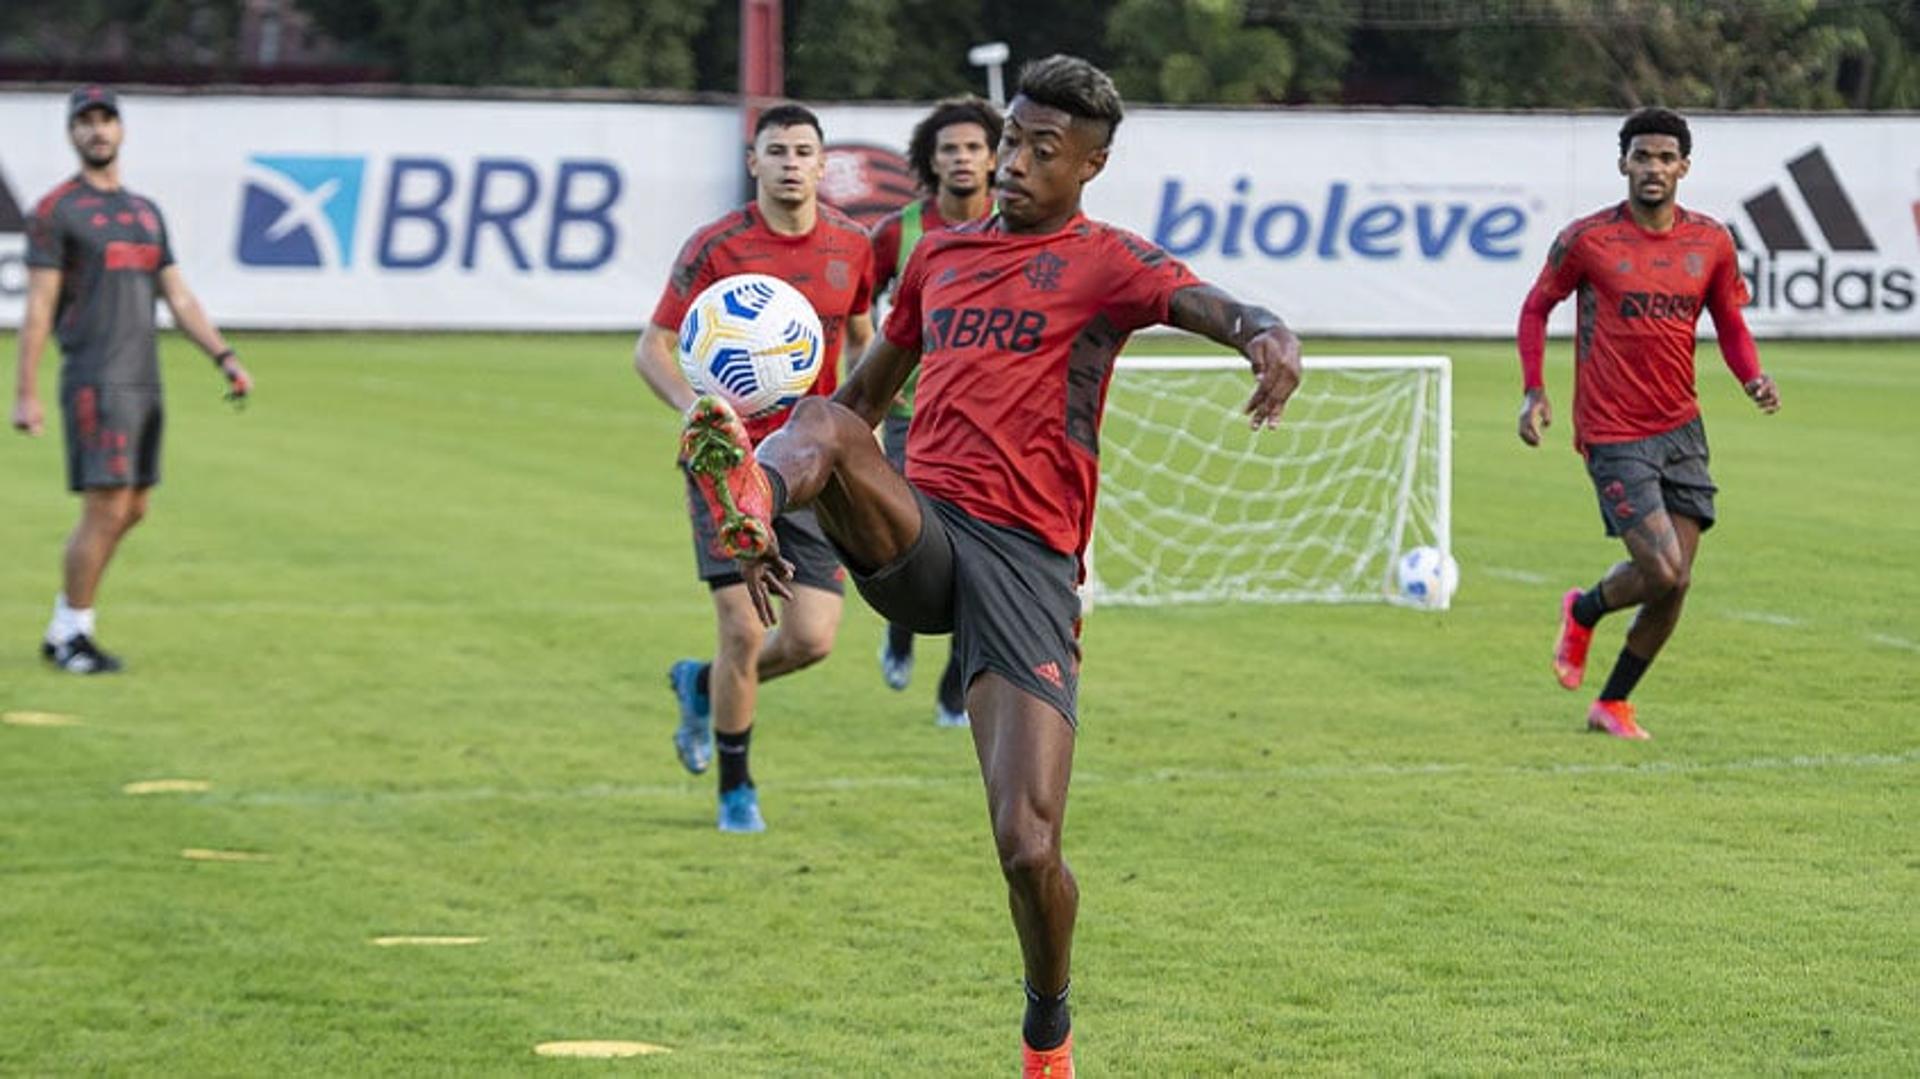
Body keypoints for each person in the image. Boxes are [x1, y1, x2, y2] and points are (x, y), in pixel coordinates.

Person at [676, 56, 1301, 1075]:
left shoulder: (1110, 263)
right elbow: (862, 407)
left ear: (1089, 164)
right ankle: (747, 491)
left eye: (1038, 149)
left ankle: (1046, 1029)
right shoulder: (941, 260)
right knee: (824, 415)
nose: (1009, 161)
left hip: (1029, 566)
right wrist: (791, 490)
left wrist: (1268, 333)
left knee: (1028, 845)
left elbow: (1213, 305)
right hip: (923, 530)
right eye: (1010, 138)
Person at [633, 103, 875, 833]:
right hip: (728, 465)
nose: (792, 162)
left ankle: (700, 685)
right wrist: (694, 408)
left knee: (811, 640)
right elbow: (652, 346)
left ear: (821, 162)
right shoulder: (717, 245)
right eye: (778, 150)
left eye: (805, 150)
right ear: (755, 163)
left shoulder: (852, 245)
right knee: (742, 628)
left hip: (809, 464)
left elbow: (861, 340)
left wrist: (855, 424)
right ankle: (737, 788)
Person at [1517, 106, 1780, 740]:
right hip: (1612, 431)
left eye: (1666, 157)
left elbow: (1730, 323)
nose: (1654, 168)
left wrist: (1752, 378)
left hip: (1681, 427)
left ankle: (1613, 704)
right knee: (1662, 568)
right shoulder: (1588, 240)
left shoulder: (1710, 241)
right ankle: (1583, 610)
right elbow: (1536, 308)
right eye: (1642, 156)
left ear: (1684, 166)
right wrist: (1534, 392)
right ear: (1623, 164)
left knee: (1676, 584)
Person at [12, 86, 253, 674]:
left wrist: (223, 357)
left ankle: (65, 623)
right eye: (85, 122)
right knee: (105, 507)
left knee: (134, 507)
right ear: (72, 134)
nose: (97, 131)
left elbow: (178, 294)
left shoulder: (145, 213)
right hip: (96, 378)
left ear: (121, 130)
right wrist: (26, 392)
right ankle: (73, 634)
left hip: (144, 380)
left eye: (106, 121)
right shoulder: (56, 212)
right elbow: (39, 308)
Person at [867, 96, 1002, 728]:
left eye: (975, 147)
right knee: (911, 540)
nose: (963, 158)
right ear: (932, 159)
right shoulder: (900, 232)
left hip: (987, 421)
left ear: (996, 158)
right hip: (909, 413)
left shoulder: (1013, 228)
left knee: (973, 556)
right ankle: (899, 628)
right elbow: (856, 309)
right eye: (950, 148)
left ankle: (954, 686)